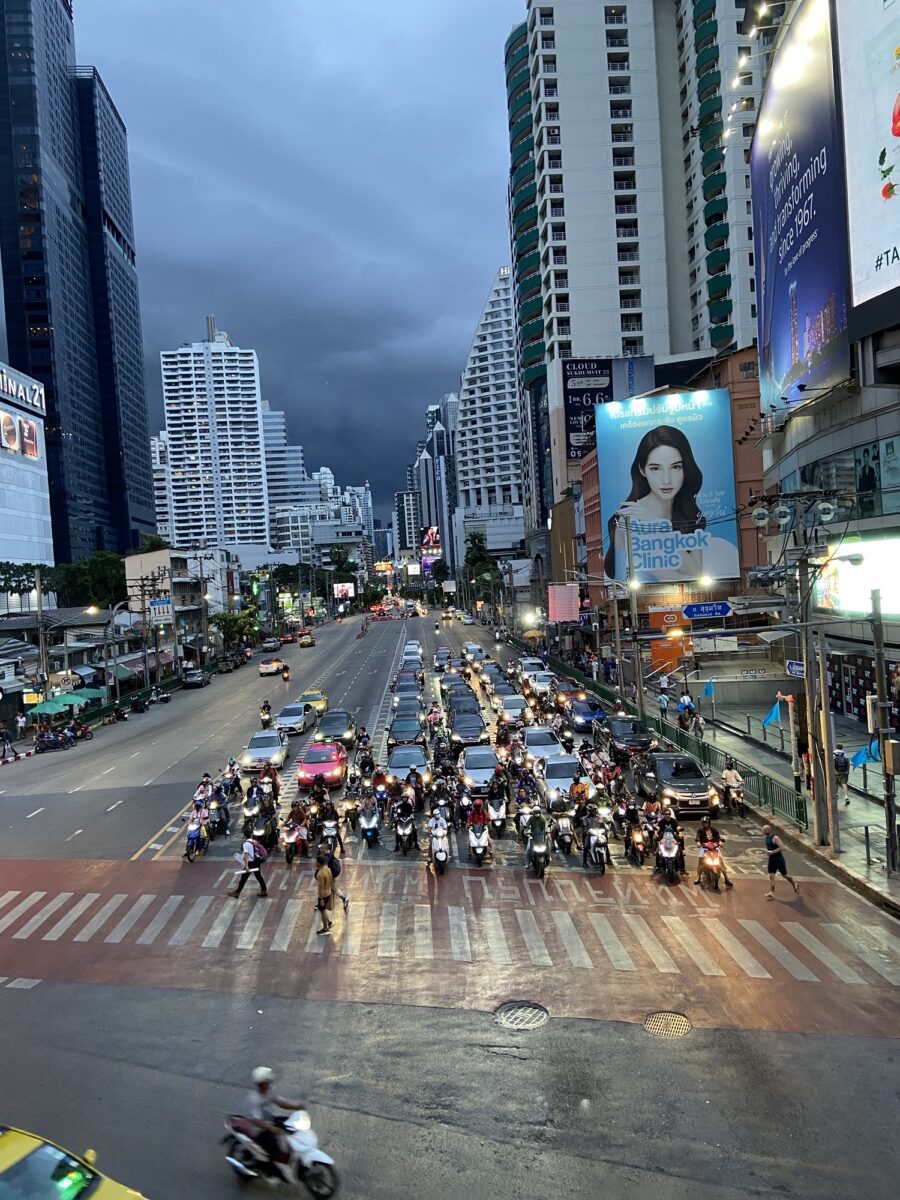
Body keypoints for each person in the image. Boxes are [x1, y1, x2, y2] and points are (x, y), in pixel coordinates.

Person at [603, 426, 711, 582]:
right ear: (642, 470)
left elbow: (696, 572)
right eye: (655, 468)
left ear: (685, 469)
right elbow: (620, 578)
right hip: (639, 600)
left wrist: (658, 526)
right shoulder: (629, 519)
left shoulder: (690, 514)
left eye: (676, 467)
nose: (666, 480)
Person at [244, 1067, 306, 1183]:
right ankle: (270, 1171)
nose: (270, 1085)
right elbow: (257, 1121)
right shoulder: (254, 1099)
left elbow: (280, 1102)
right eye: (268, 1083)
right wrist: (273, 1129)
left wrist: (297, 1106)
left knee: (290, 1125)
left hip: (269, 1120)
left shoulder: (268, 1092)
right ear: (261, 1084)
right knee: (276, 1152)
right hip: (259, 1130)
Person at [693, 815, 732, 888]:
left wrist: (720, 842)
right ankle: (698, 877)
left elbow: (718, 837)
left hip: (714, 848)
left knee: (721, 862)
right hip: (704, 848)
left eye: (706, 822)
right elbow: (697, 837)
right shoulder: (700, 830)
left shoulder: (714, 829)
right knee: (700, 862)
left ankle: (727, 878)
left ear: (709, 823)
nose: (705, 824)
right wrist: (698, 842)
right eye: (703, 823)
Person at [763, 825, 799, 899]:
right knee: (771, 876)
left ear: (769, 830)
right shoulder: (766, 838)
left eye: (764, 830)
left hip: (779, 859)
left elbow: (782, 847)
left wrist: (772, 852)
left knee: (784, 875)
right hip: (771, 860)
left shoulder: (775, 838)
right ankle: (772, 892)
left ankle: (794, 883)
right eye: (763, 830)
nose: (763, 832)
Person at [228, 832, 268, 898]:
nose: (241, 835)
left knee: (243, 878)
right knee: (258, 876)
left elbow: (246, 855)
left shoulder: (246, 844)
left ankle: (237, 892)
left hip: (251, 863)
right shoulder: (252, 840)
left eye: (242, 834)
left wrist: (246, 866)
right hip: (256, 860)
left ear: (244, 835)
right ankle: (264, 890)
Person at [314, 853, 334, 934]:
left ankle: (325, 928)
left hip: (323, 895)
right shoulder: (327, 869)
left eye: (316, 862)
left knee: (323, 910)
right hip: (328, 891)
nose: (315, 863)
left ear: (319, 863)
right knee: (322, 909)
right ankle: (328, 922)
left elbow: (321, 887)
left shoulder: (320, 874)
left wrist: (321, 898)